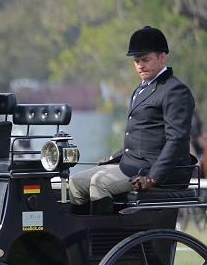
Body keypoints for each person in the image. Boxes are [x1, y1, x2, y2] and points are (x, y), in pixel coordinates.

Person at [69, 26, 195, 215]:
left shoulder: (175, 91)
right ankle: (82, 240)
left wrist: (153, 178)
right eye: (136, 61)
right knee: (76, 182)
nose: (140, 66)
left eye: (146, 60)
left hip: (155, 169)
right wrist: (111, 159)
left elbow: (176, 141)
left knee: (100, 182)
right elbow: (141, 138)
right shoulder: (142, 88)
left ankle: (104, 241)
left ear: (162, 57)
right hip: (132, 164)